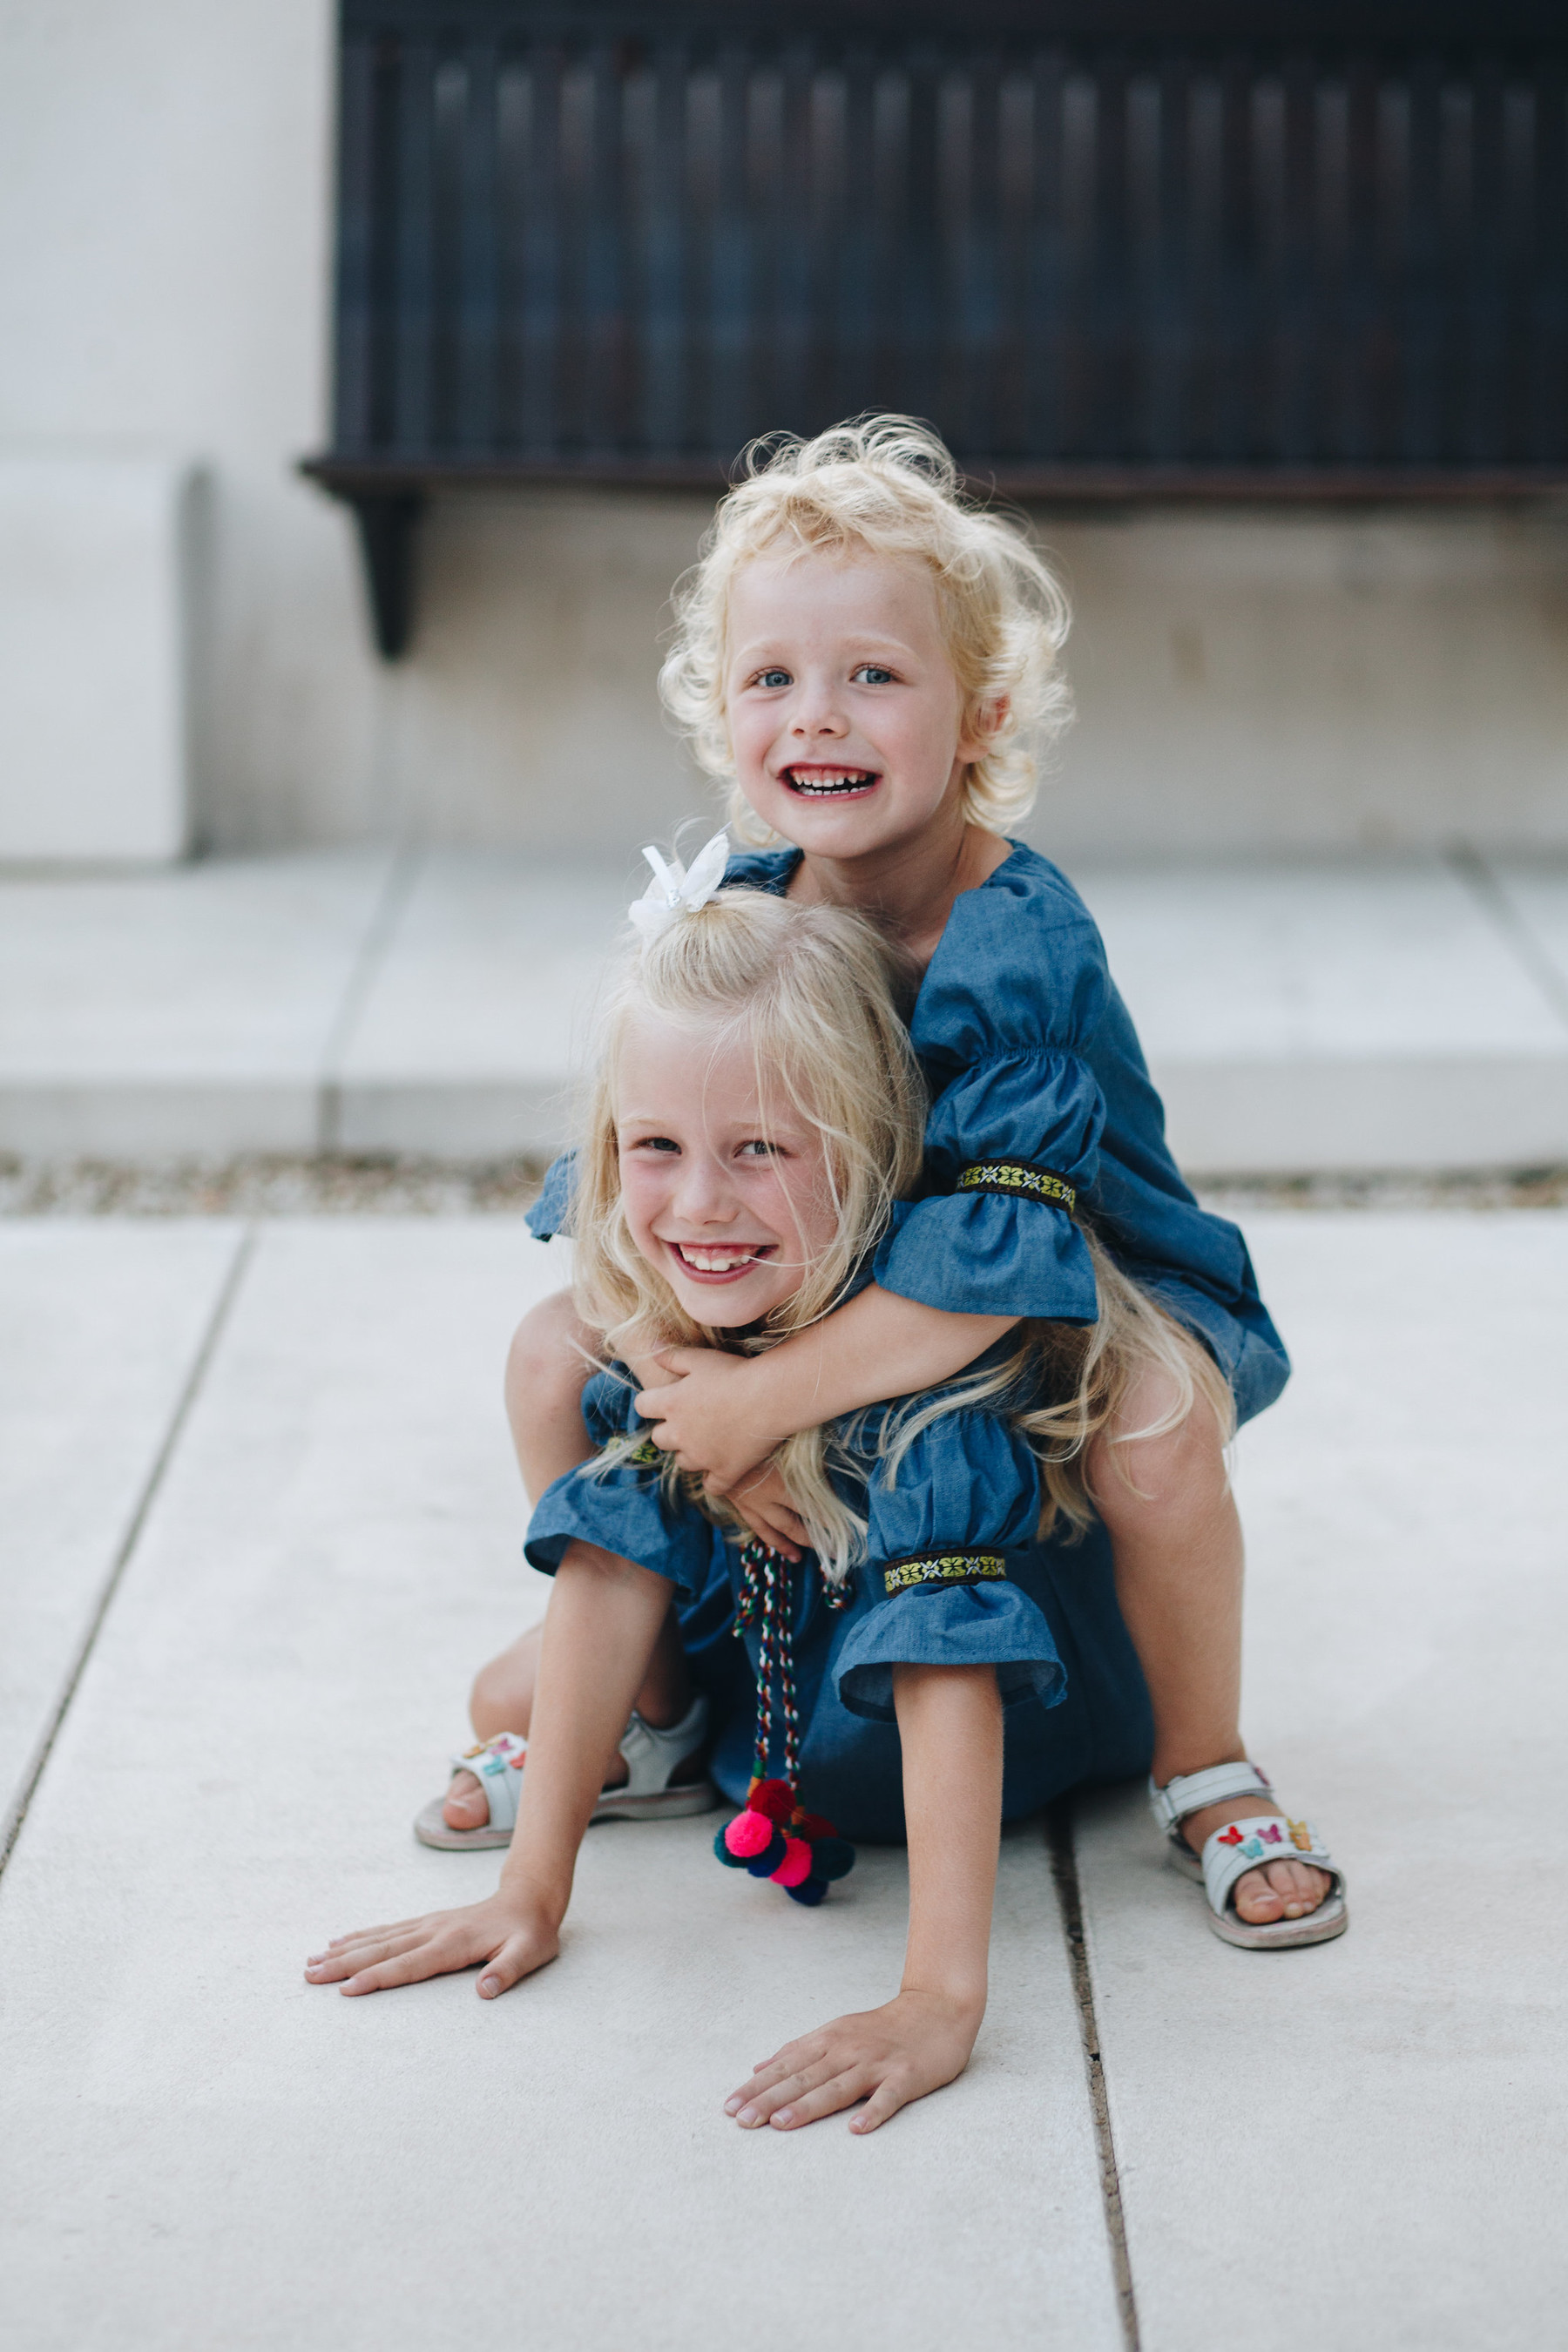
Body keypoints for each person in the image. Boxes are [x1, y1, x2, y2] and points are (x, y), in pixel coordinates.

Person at [460, 416, 1342, 1949]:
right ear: (719, 713)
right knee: (552, 1355)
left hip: (1073, 1279)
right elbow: (630, 1187)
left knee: (1150, 1440)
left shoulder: (1019, 945)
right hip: (824, 1258)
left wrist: (758, 1401)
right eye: (773, 679)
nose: (822, 715)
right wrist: (685, 1381)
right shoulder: (749, 909)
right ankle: (659, 1708)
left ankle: (1205, 1766)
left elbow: (997, 1264)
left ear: (980, 709)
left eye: (875, 673)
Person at [309, 888, 1325, 2135]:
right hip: (786, 1719)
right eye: (657, 1150)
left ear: (867, 1145)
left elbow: (945, 1678)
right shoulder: (689, 1335)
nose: (698, 1208)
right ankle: (667, 1738)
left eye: (759, 1151)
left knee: (549, 1700)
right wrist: (533, 1891)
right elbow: (608, 1561)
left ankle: (1199, 1769)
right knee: (507, 1695)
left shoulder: (925, 1396)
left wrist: (937, 1995)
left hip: (993, 1749)